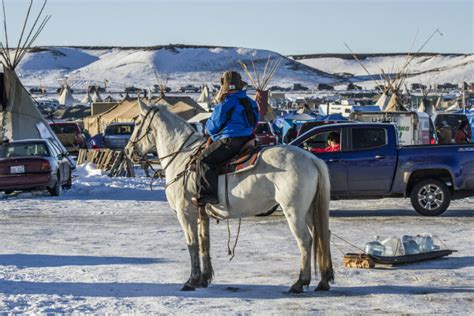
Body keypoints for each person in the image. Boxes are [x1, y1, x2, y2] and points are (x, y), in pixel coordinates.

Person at [193, 71, 259, 206]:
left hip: (230, 140)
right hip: (248, 140)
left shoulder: (226, 102)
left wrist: (207, 129)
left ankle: (206, 196)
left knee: (204, 159)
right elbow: (255, 122)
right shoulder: (251, 102)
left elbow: (214, 125)